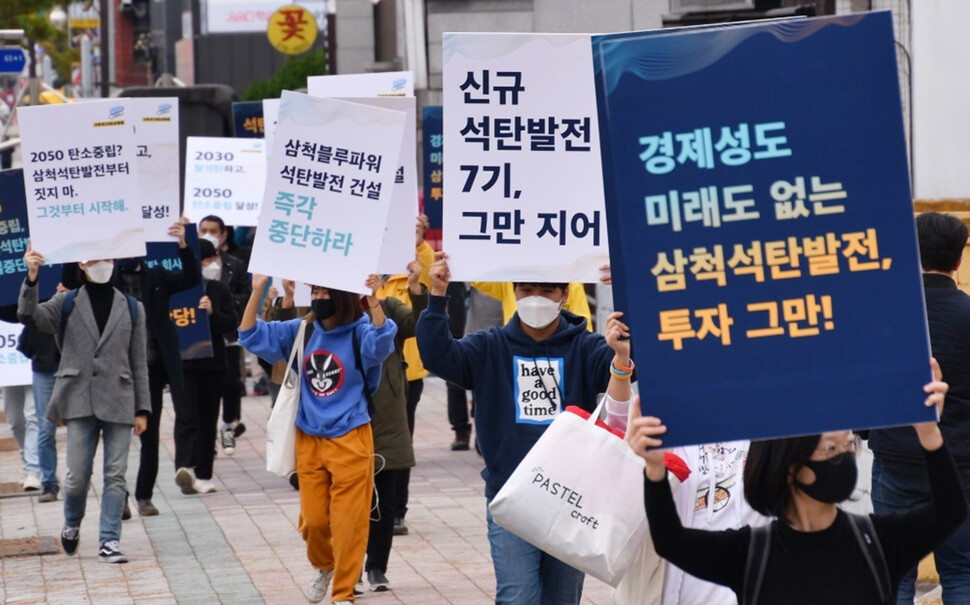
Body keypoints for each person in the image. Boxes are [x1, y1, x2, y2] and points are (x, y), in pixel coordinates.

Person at [627, 358, 966, 604]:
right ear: (792, 469)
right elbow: (670, 541)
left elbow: (951, 510)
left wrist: (928, 431)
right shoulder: (753, 553)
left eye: (849, 446)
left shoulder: (877, 542)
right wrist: (655, 470)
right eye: (831, 449)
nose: (844, 457)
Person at [415, 252, 619, 604]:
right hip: (511, 497)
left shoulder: (586, 348)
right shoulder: (489, 346)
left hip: (569, 501)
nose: (535, 298)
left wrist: (626, 295)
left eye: (546, 291)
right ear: (514, 294)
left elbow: (632, 362)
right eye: (526, 289)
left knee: (562, 598)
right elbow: (437, 355)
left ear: (565, 295)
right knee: (517, 596)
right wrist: (437, 296)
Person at [238, 274, 397, 604]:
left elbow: (383, 342)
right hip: (309, 438)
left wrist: (374, 301)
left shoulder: (360, 331)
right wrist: (257, 291)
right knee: (312, 522)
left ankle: (342, 594)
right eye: (317, 290)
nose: (320, 296)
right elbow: (248, 334)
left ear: (343, 296)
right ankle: (325, 566)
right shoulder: (303, 330)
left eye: (327, 290)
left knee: (348, 524)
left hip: (352, 437)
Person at [19, 247, 149, 564]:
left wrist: (142, 408)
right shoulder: (66, 302)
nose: (102, 264)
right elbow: (30, 316)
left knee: (116, 475)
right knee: (77, 476)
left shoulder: (132, 307)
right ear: (81, 263)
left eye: (107, 258)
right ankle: (72, 523)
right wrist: (32, 277)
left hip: (119, 396)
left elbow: (139, 361)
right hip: (78, 396)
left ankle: (109, 540)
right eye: (94, 259)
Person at [868, 211, 970, 603]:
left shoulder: (885, 318)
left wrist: (875, 433)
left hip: (895, 460)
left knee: (897, 571)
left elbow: (866, 389)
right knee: (961, 570)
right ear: (959, 260)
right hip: (962, 465)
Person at [113, 221, 200, 516]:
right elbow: (73, 281)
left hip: (150, 369)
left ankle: (144, 496)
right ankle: (119, 496)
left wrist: (183, 245)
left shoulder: (157, 275)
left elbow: (190, 277)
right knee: (118, 438)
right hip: (116, 372)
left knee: (149, 437)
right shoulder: (105, 281)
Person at [363, 264, 427, 592]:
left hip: (386, 414)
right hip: (343, 416)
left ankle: (376, 565)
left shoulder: (387, 306)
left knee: (384, 499)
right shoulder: (328, 308)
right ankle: (345, 562)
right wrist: (285, 299)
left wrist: (416, 286)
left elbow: (418, 323)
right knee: (345, 499)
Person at [172, 239, 237, 495]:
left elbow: (230, 323)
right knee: (186, 417)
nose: (210, 265)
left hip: (213, 364)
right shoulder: (177, 288)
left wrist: (212, 312)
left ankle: (203, 473)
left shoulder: (218, 289)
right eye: (206, 260)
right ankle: (184, 468)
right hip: (185, 364)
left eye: (212, 260)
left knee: (208, 419)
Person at [199, 214, 251, 455]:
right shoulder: (191, 265)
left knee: (231, 382)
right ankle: (205, 438)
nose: (208, 234)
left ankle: (228, 426)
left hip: (228, 332)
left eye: (213, 230)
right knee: (205, 389)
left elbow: (245, 294)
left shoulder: (234, 264)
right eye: (203, 230)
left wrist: (223, 302)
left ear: (223, 234)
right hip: (199, 335)